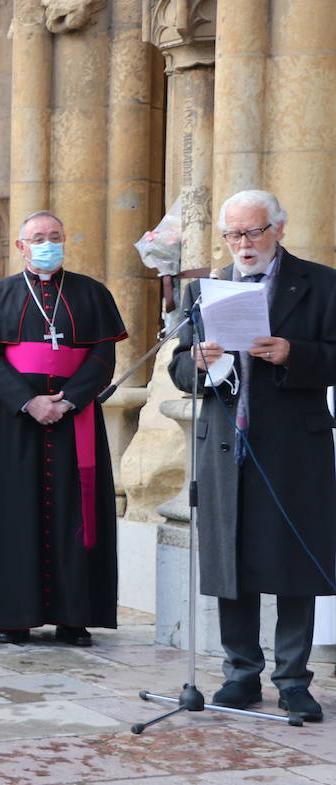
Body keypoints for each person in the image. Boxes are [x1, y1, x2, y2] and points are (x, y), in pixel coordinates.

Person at [168, 189, 336, 722]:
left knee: (292, 563)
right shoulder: (204, 289)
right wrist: (197, 361)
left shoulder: (321, 283)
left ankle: (293, 680)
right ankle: (241, 673)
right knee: (229, 558)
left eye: (253, 232)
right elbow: (177, 369)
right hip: (224, 443)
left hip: (293, 446)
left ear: (279, 230)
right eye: (233, 234)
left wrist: (294, 354)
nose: (243, 244)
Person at [0, 210, 125, 646]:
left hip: (74, 417)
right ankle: (13, 615)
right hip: (16, 421)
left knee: (75, 513)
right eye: (38, 237)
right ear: (20, 247)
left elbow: (102, 357)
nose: (47, 243)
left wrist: (69, 399)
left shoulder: (91, 293)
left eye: (55, 236)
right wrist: (29, 401)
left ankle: (74, 616)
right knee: (13, 513)